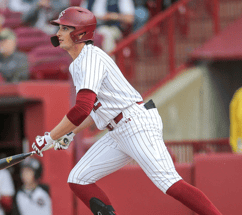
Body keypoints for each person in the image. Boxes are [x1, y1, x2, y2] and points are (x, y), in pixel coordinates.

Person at [31, 7, 222, 215]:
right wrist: (70, 133)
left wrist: (50, 137)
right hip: (117, 129)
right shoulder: (77, 64)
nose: (58, 33)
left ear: (80, 33)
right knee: (78, 179)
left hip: (135, 123)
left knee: (169, 182)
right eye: (60, 28)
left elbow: (82, 108)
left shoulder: (90, 58)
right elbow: (94, 109)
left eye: (65, 28)